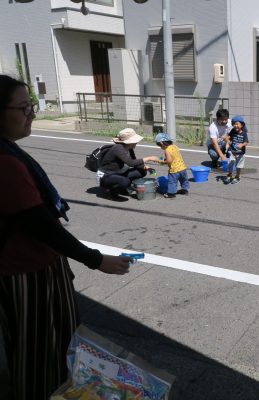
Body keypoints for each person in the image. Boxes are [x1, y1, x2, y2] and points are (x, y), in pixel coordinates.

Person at [0, 75, 131, 400]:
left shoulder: (8, 151)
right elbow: (40, 224)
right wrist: (96, 259)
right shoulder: (5, 163)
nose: (32, 113)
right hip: (27, 274)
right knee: (40, 352)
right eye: (23, 107)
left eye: (31, 106)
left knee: (47, 347)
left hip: (28, 266)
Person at [99, 128, 160, 199]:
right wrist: (150, 158)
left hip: (119, 173)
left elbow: (135, 161)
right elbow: (131, 163)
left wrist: (147, 168)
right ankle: (111, 191)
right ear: (129, 142)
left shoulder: (129, 148)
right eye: (135, 141)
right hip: (107, 175)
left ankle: (121, 188)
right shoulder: (118, 148)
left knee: (142, 171)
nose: (136, 143)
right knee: (125, 182)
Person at [155, 132, 190, 198]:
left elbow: (169, 160)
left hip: (174, 170)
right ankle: (185, 190)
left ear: (162, 143)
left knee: (172, 182)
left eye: (159, 145)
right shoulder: (175, 146)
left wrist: (162, 162)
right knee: (184, 180)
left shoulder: (167, 150)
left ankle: (171, 194)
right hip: (182, 168)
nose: (160, 147)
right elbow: (175, 156)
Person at [223, 115, 249, 185]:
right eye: (234, 124)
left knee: (238, 166)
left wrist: (242, 145)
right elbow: (228, 137)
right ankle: (230, 174)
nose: (235, 125)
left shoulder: (244, 134)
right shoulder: (232, 131)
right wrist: (226, 139)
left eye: (237, 124)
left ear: (242, 125)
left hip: (240, 153)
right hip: (232, 151)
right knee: (231, 164)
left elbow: (246, 142)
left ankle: (237, 176)